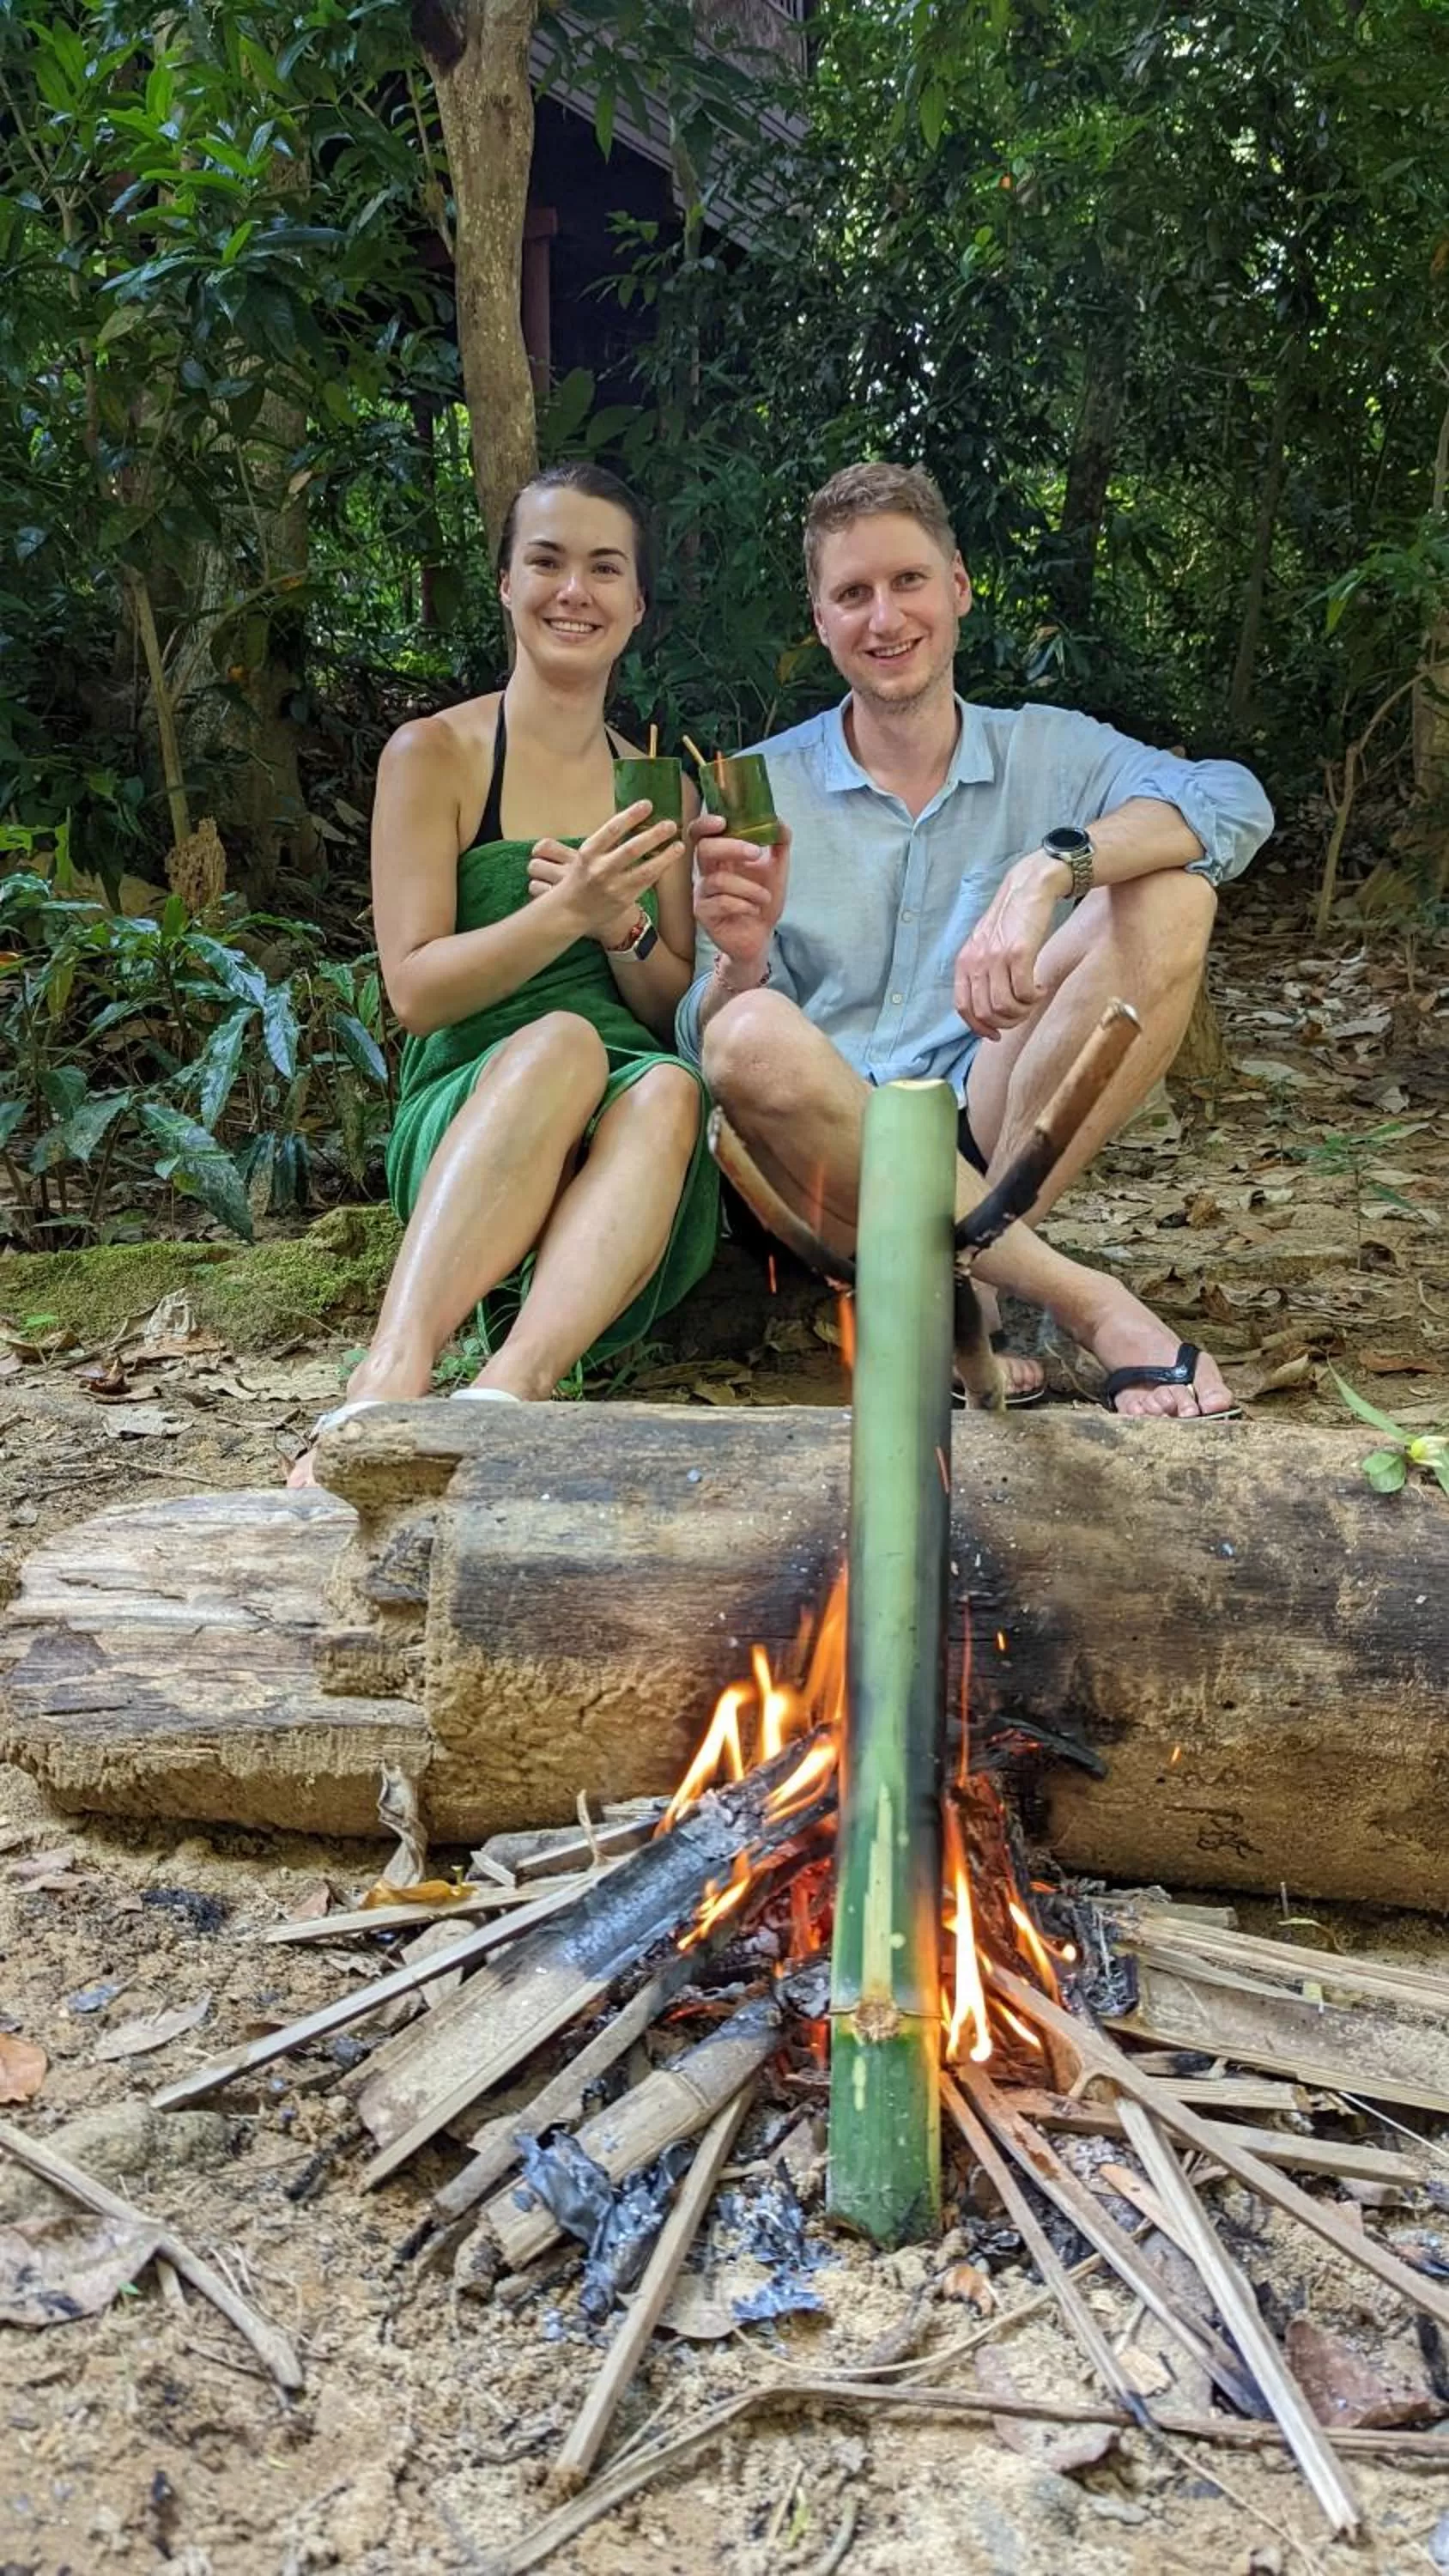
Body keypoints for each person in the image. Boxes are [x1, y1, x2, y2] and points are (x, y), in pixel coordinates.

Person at [677, 460, 1275, 1418]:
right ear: (820, 619)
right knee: (744, 1032)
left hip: (994, 1124)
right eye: (852, 594)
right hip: (829, 1158)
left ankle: (966, 1283)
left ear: (955, 587)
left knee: (1169, 895)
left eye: (908, 581)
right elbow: (701, 1045)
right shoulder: (757, 783)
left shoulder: (1046, 747)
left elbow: (1232, 803)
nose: (885, 618)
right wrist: (739, 961)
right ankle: (1087, 1304)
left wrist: (1045, 871)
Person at [288, 464, 716, 1485]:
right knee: (563, 1044)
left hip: (625, 1120)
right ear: (505, 584)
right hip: (476, 1094)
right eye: (547, 562)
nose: (575, 590)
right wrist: (559, 914)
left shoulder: (664, 784)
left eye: (604, 568)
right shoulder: (432, 754)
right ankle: (386, 1381)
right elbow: (415, 992)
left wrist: (623, 932)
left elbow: (667, 1006)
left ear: (637, 603)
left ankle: (510, 1394)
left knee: (669, 1085)